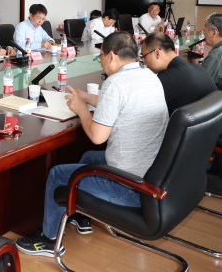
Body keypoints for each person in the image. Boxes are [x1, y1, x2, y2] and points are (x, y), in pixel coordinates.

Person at [17, 32, 168, 257]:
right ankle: (79, 212)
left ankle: (49, 240)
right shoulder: (149, 75)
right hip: (151, 173)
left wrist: (81, 110)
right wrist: (85, 98)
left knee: (57, 174)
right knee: (88, 157)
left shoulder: (115, 83)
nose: (101, 62)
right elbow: (121, 103)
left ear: (111, 56)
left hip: (129, 187)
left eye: (101, 57)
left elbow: (97, 136)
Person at [140, 32, 217, 116]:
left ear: (157, 53)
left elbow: (141, 109)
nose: (144, 63)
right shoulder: (199, 69)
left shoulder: (167, 79)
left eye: (144, 57)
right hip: (213, 122)